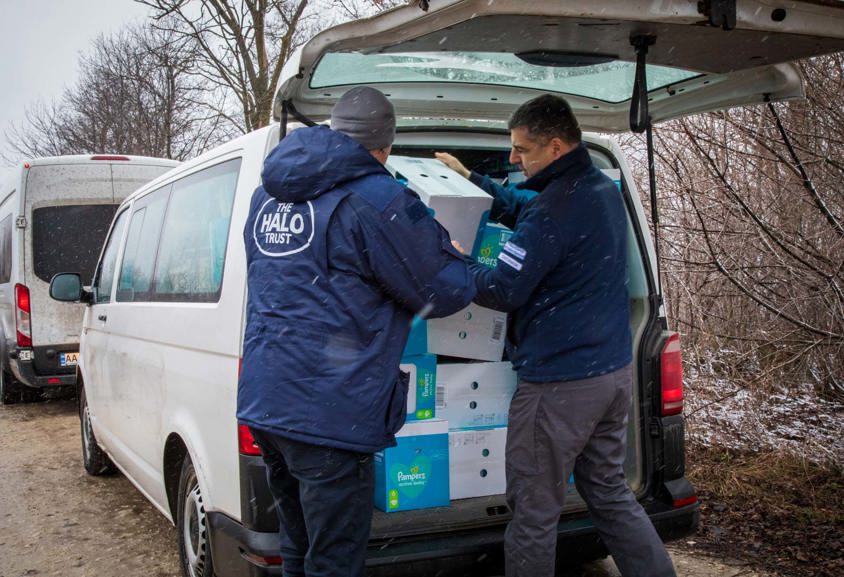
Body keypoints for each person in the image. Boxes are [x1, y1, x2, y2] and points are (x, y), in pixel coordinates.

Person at [238, 86, 475, 577]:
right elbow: (445, 291)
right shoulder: (379, 198)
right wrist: (449, 248)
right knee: (336, 562)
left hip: (269, 401)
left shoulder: (269, 195)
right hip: (330, 413)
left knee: (299, 547)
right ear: (384, 145)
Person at [436, 94, 677, 577]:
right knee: (607, 490)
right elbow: (531, 207)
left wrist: (453, 258)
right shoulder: (598, 188)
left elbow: (503, 288)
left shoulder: (554, 211)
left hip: (558, 387)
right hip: (609, 375)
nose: (513, 159)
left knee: (533, 510)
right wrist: (475, 182)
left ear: (557, 146)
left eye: (523, 150)